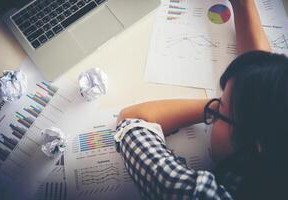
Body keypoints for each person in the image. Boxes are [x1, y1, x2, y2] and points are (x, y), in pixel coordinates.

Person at [114, 0, 288, 199]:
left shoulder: (198, 194)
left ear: (254, 146)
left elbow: (132, 120)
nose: (214, 115)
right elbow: (264, 80)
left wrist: (216, 105)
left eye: (219, 112)